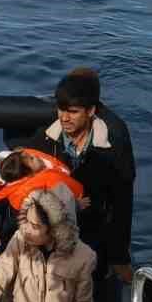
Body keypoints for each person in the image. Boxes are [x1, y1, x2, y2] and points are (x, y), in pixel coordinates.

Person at [28, 73, 135, 287]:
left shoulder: (114, 142)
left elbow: (122, 202)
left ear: (91, 111)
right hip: (51, 228)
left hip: (94, 228)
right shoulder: (45, 138)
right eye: (61, 110)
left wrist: (120, 257)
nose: (64, 118)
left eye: (73, 112)